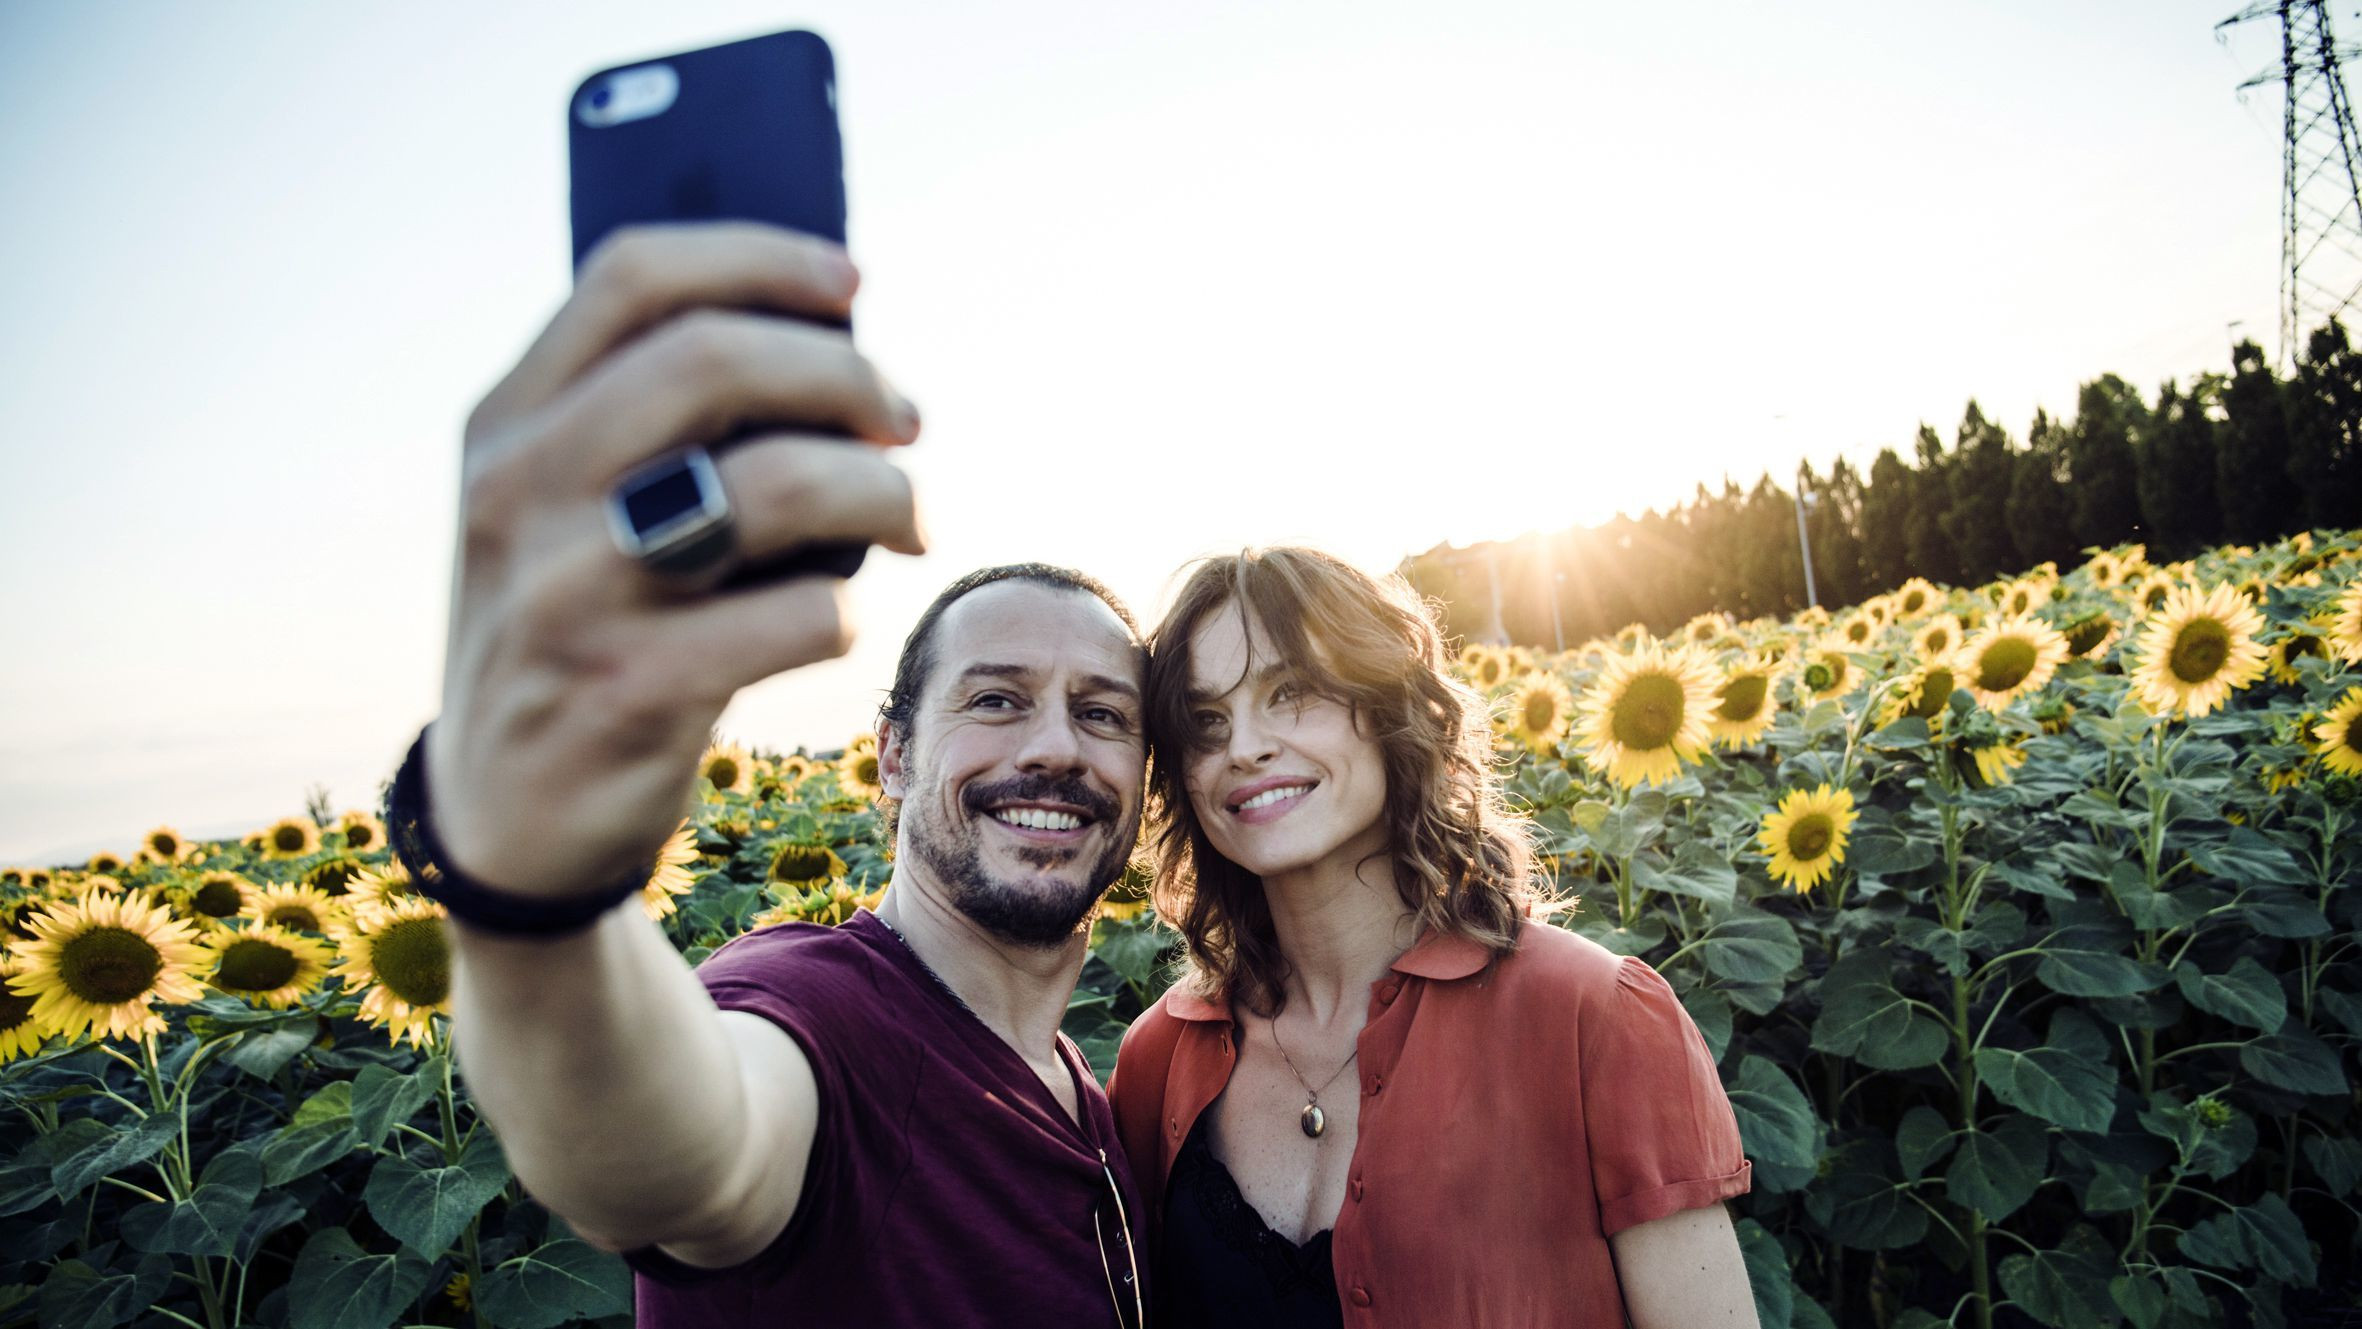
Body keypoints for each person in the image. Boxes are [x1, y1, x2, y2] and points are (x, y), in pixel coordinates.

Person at [399, 221, 1151, 1327]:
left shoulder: (1082, 1087)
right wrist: (536, 892)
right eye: (994, 700)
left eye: (1101, 714)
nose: (1052, 747)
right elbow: (676, 1162)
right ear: (892, 756)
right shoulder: (814, 1015)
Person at [1109, 547, 1759, 1328]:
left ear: (1388, 709)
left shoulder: (1595, 1017)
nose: (1243, 745)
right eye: (1206, 722)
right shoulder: (1157, 1061)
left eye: (1291, 692)